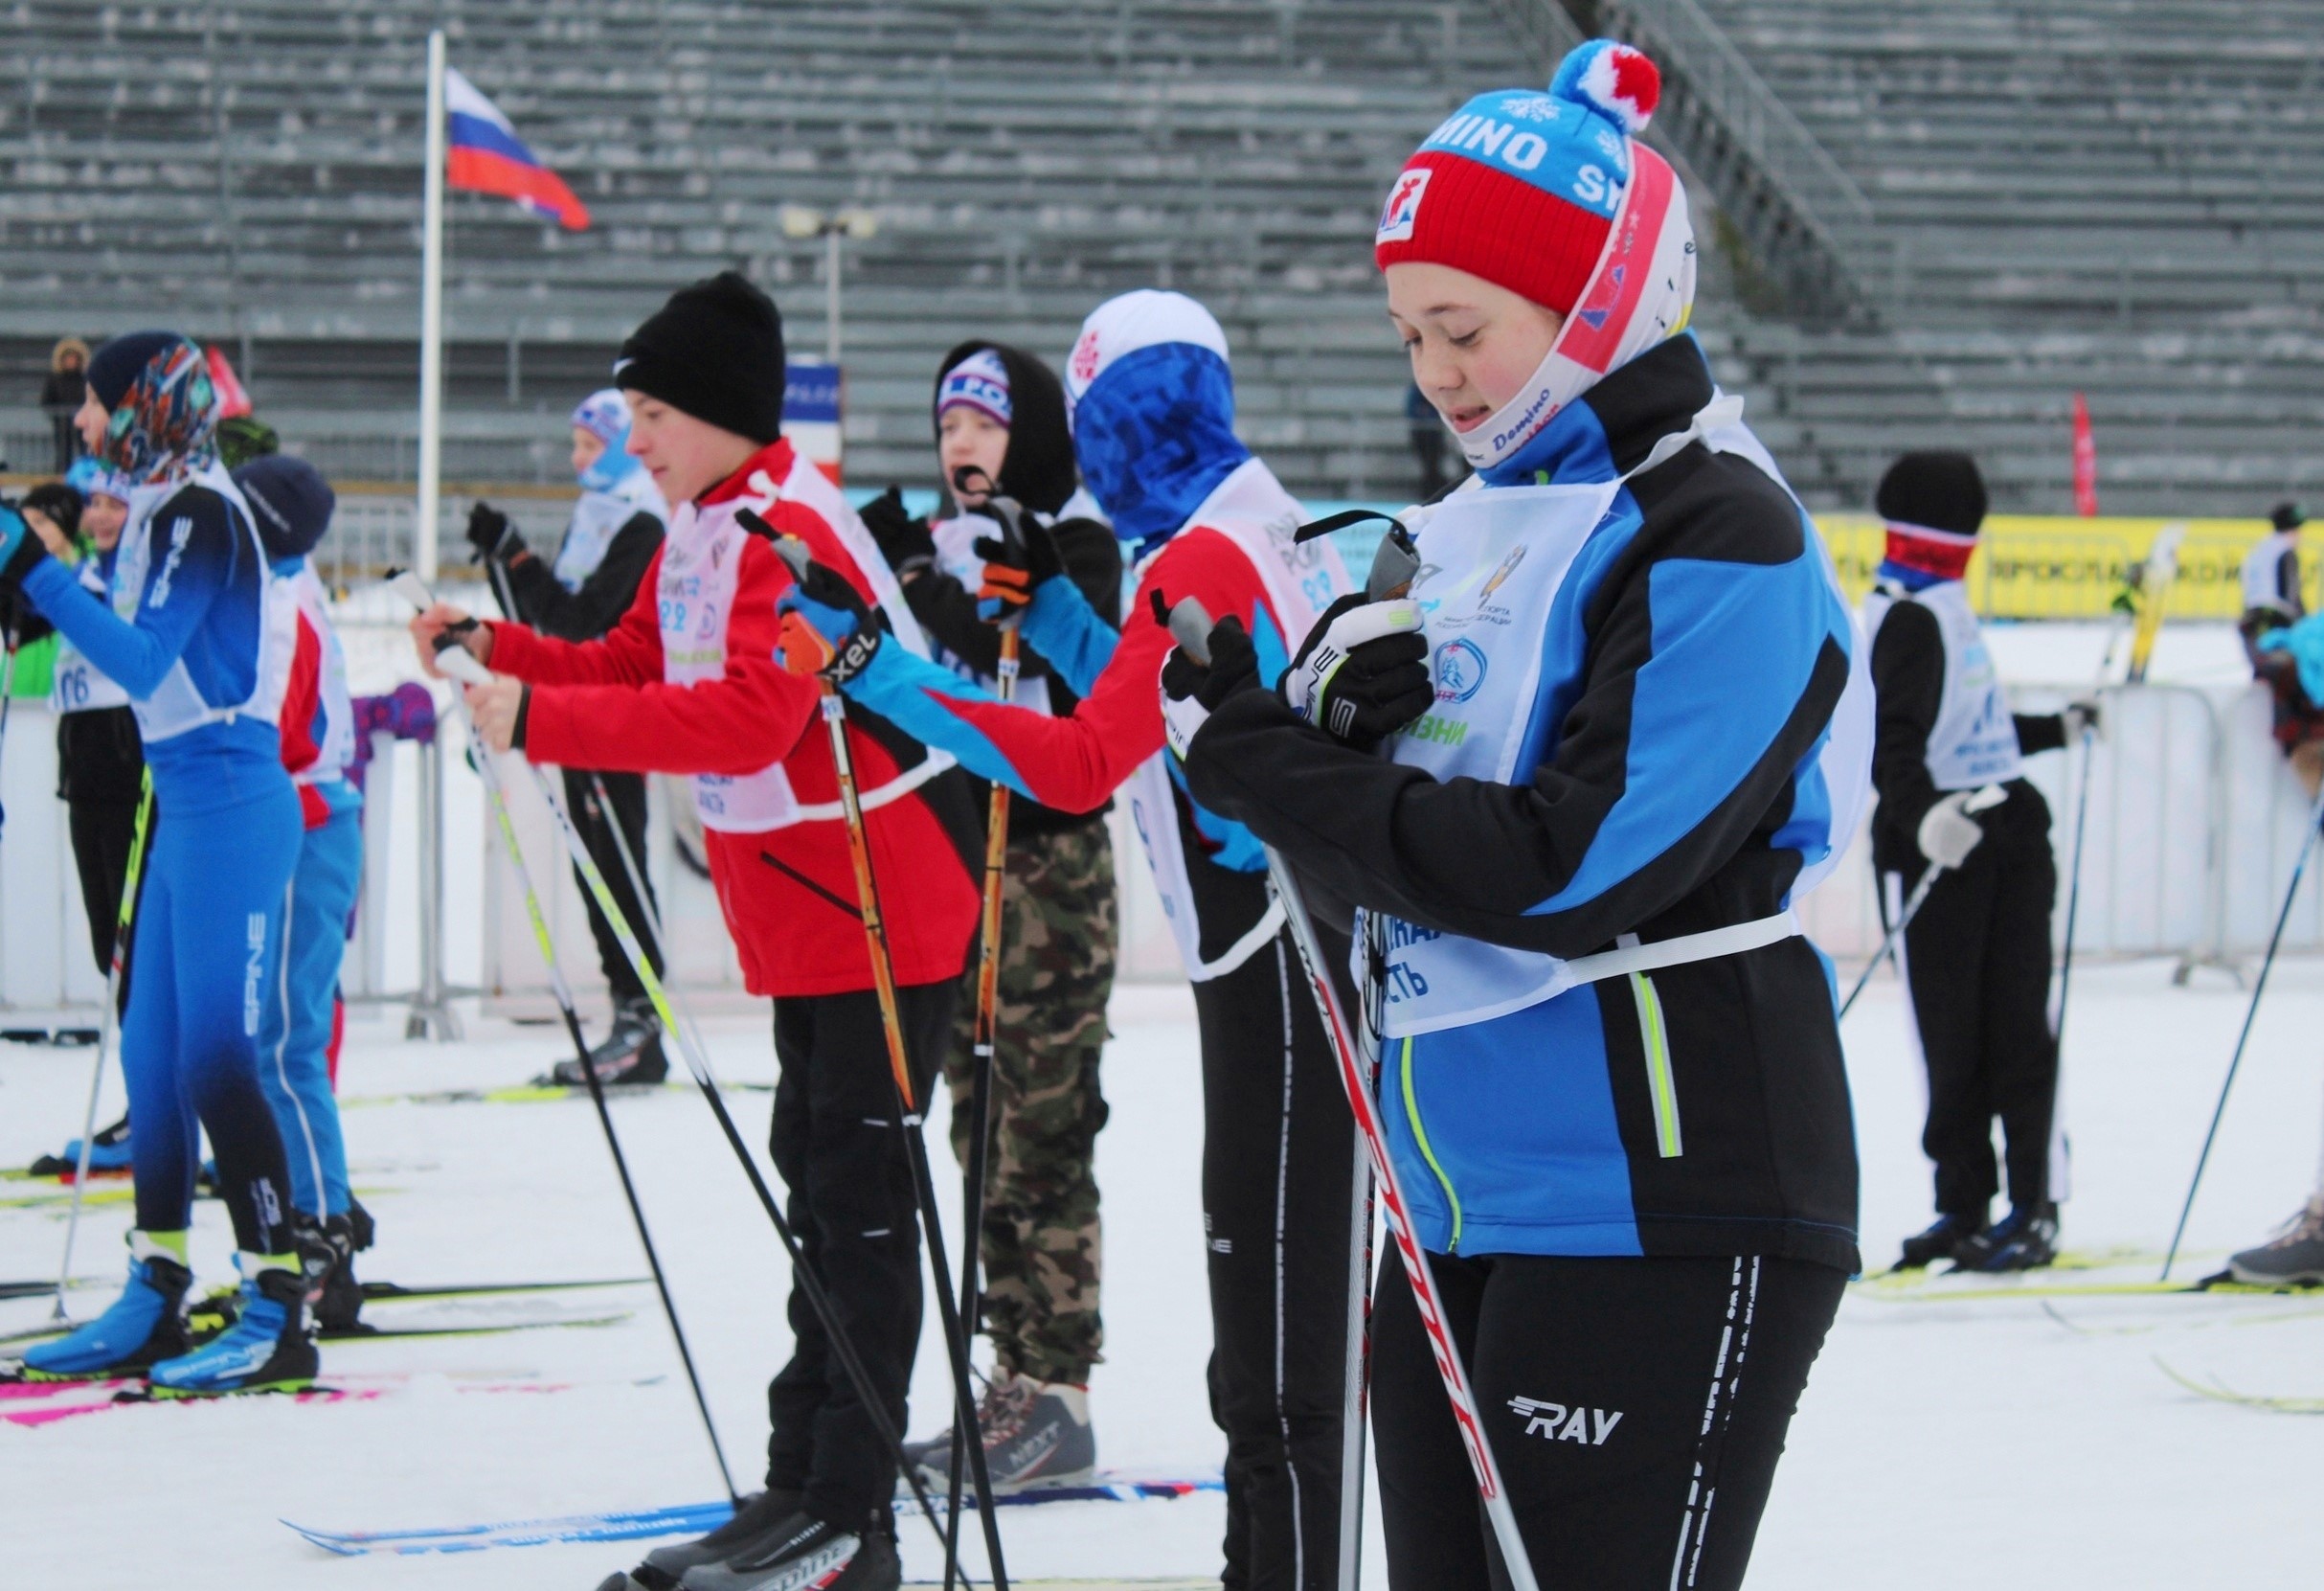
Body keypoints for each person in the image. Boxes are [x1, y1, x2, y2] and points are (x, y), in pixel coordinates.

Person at [1155, 42, 1870, 1588]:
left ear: (1596, 303)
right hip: (1451, 1197)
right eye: (1410, 332)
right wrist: (1284, 734)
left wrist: (1277, 764)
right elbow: (1371, 876)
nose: (1437, 373)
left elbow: (1566, 869)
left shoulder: (1717, 533)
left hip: (1661, 1195)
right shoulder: (1453, 533)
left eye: (1466, 328)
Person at [778, 288, 1360, 1591]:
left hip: (1276, 966)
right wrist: (1044, 615)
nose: (1087, 465)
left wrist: (876, 668)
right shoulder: (1243, 523)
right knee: (1270, 1333)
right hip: (1289, 954)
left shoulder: (1199, 554)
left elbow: (1080, 757)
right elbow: (1135, 691)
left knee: (1273, 1337)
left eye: (1090, 434)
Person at [409, 271, 980, 1591]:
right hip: (810, 914)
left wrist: (535, 724)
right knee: (820, 1199)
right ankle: (801, 1486)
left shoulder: (787, 534)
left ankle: (851, 1520)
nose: (635, 434)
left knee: (860, 1208)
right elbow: (627, 661)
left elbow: (745, 719)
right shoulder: (704, 519)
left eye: (654, 410)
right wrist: (501, 646)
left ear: (721, 414)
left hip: (883, 905)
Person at [1, 330, 313, 1394]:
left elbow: (141, 660)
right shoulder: (157, 509)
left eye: (95, 406)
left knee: (219, 1058)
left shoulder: (199, 511)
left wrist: (31, 567)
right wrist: (35, 587)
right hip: (183, 800)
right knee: (155, 1059)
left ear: (145, 408)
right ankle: (158, 1277)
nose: (83, 427)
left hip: (232, 797)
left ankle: (279, 1301)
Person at [856, 340, 1121, 1490]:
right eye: (948, 422)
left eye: (986, 420)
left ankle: (1059, 1386)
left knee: (1042, 1138)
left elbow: (1050, 688)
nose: (961, 443)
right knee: (981, 1133)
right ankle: (1012, 1375)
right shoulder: (949, 547)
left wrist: (925, 590)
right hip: (972, 865)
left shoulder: (1077, 545)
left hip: (1051, 877)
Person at [1861, 451, 2097, 1273]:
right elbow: (1888, 747)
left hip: (2002, 831)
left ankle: (2032, 1202)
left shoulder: (1941, 603)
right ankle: (1963, 1204)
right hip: (1941, 850)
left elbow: (1971, 722)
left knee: (2018, 1030)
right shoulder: (1906, 614)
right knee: (1954, 1037)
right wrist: (1925, 817)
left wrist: (2051, 729)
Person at [466, 388, 671, 1085]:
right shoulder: (599, 515)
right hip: (577, 710)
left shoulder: (641, 522)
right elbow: (553, 623)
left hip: (615, 717)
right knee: (596, 871)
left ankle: (644, 1017)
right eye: (577, 442)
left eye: (591, 443)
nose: (579, 457)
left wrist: (518, 558)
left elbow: (583, 624)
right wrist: (506, 562)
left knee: (617, 865)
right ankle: (629, 1011)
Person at [237, 452, 373, 1331]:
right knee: (269, 1042)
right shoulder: (268, 591)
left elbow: (282, 736)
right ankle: (308, 1215)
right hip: (287, 824)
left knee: (287, 1042)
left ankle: (323, 1231)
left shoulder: (284, 605)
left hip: (306, 823)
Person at [16, 467, 147, 1176]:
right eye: (92, 502)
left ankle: (159, 1110)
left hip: (126, 773)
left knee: (135, 953)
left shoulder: (128, 577)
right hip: (88, 774)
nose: (101, 514)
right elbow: (27, 620)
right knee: (113, 952)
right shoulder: (86, 574)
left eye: (111, 502)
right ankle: (148, 1104)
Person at [2238, 502, 2324, 797]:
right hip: (2277, 618)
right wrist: (2301, 624)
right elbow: (2290, 594)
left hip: (2253, 618)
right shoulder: (2285, 552)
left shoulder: (2259, 549)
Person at [41, 336, 89, 472]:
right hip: (62, 425)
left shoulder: (85, 378)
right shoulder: (54, 379)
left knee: (85, 451)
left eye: (74, 358)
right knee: (63, 454)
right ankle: (61, 477)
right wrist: (57, 415)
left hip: (83, 424)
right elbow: (46, 401)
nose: (71, 361)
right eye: (68, 358)